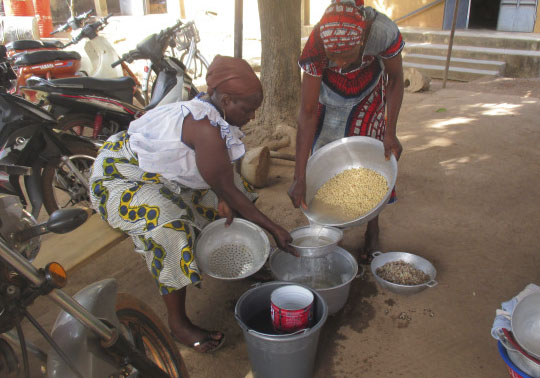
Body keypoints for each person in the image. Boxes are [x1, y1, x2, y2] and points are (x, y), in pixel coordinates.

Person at [89, 55, 295, 353]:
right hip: (121, 176)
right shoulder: (204, 127)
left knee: (239, 193)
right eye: (248, 109)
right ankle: (178, 324)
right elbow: (223, 183)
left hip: (163, 173)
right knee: (170, 227)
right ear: (225, 100)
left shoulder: (214, 111)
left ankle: (245, 261)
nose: (252, 116)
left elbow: (227, 174)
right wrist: (275, 229)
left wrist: (227, 196)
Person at [288, 0, 404, 264]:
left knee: (373, 162)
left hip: (368, 95)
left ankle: (372, 228)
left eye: (347, 57)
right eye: (333, 58)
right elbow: (307, 113)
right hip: (328, 99)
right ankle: (329, 231)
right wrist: (299, 176)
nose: (339, 63)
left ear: (362, 40)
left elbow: (395, 79)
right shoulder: (317, 44)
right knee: (323, 159)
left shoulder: (383, 32)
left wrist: (390, 131)